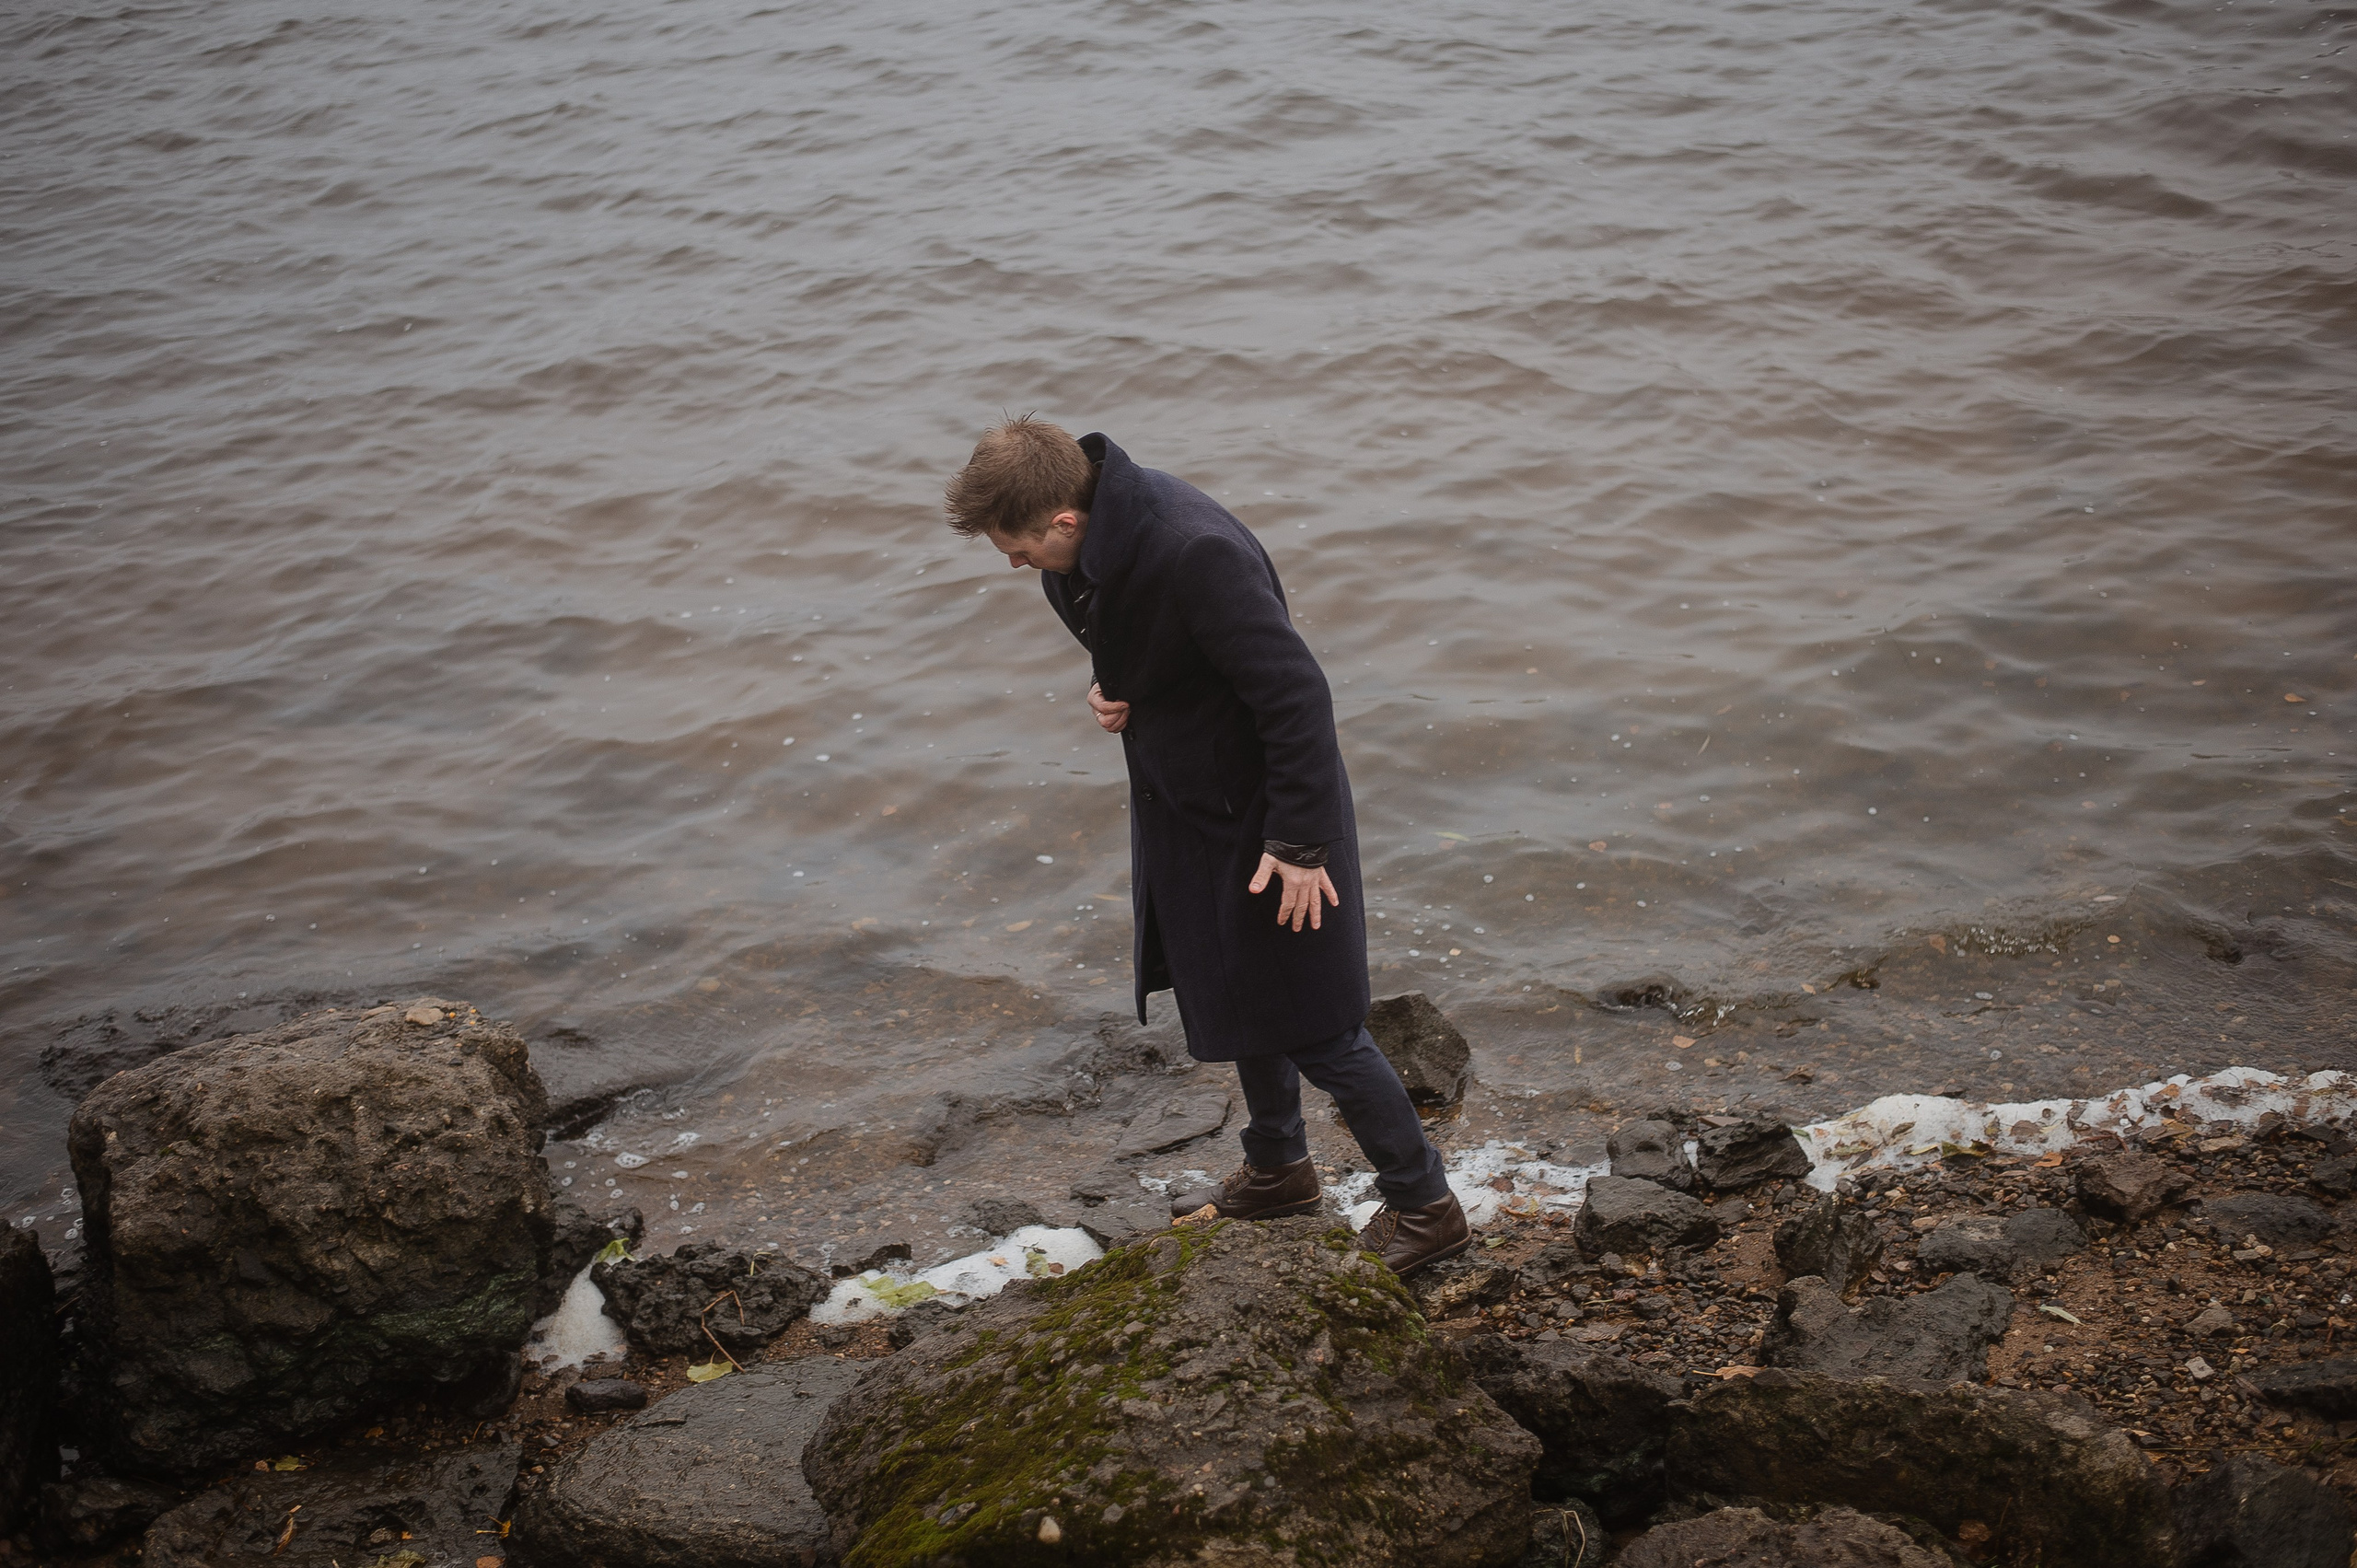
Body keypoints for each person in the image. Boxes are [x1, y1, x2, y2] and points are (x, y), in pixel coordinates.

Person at [944, 417, 1469, 1275]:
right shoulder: (1095, 538)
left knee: (1322, 1022)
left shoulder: (1190, 550)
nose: (1014, 565)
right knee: (1226, 984)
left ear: (1066, 520)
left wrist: (1302, 845)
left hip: (1270, 817)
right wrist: (1117, 689)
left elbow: (1297, 695)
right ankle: (1280, 1167)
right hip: (1188, 801)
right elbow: (1153, 644)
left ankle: (1426, 1204)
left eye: (1017, 550)